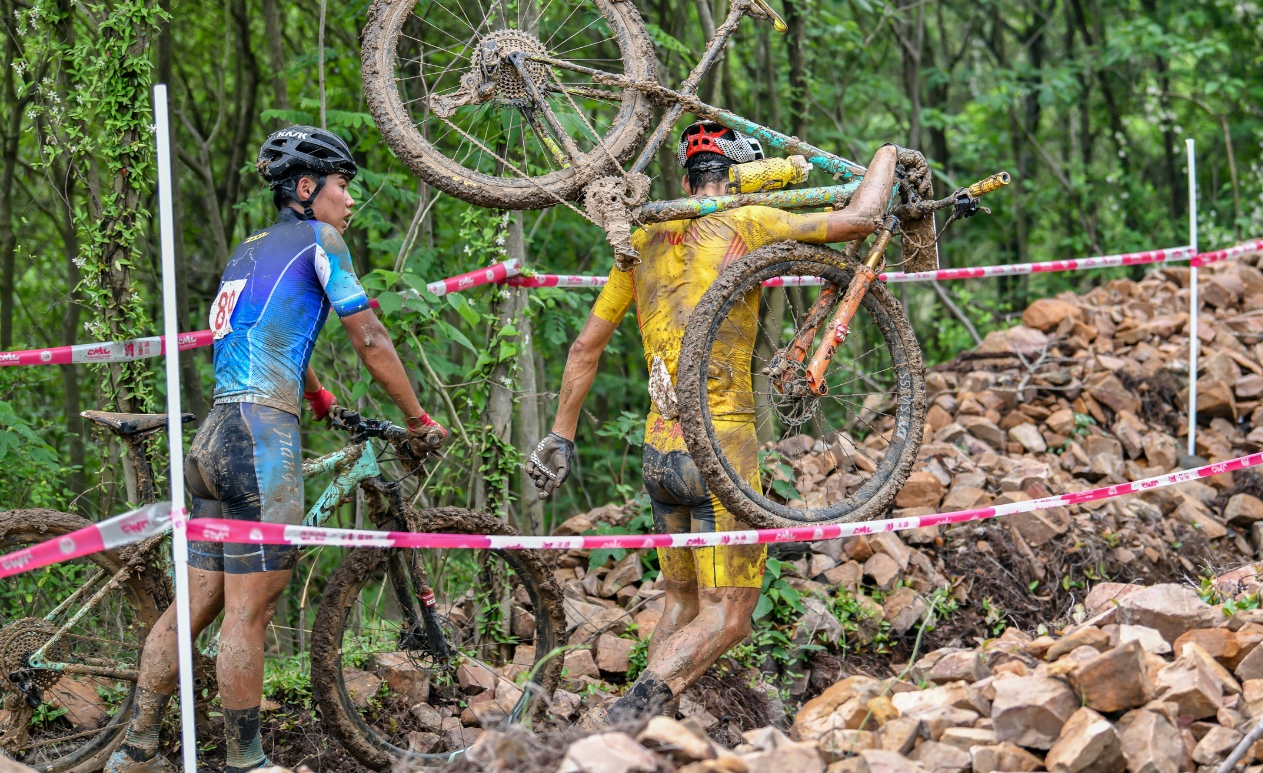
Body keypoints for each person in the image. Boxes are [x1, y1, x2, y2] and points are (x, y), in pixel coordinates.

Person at [525, 121, 905, 723]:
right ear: (745, 177)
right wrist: (886, 153)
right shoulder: (749, 222)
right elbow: (861, 219)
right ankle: (631, 714)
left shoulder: (643, 239)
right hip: (721, 447)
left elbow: (584, 348)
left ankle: (641, 738)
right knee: (728, 616)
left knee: (679, 601)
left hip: (659, 453)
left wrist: (560, 436)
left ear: (685, 180)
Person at [106, 126, 446, 773]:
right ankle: (247, 761)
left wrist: (319, 398)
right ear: (307, 186)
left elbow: (269, 335)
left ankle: (137, 747)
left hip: (213, 439)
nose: (350, 201)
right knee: (249, 612)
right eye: (343, 186)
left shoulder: (249, 250)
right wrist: (417, 416)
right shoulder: (322, 240)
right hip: (262, 443)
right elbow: (369, 337)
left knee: (195, 604)